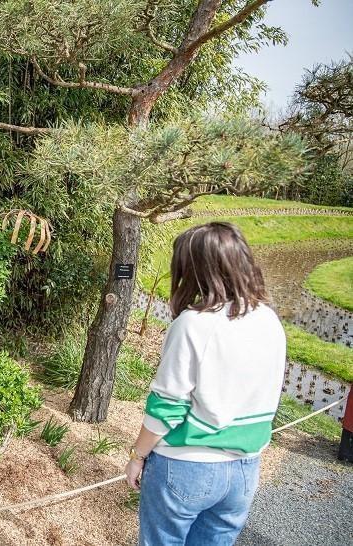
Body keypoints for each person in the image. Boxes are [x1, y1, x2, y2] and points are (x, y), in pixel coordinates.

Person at [125, 222, 286, 545]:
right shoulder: (269, 318)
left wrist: (137, 455)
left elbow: (167, 407)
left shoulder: (193, 324)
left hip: (187, 466)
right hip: (244, 468)